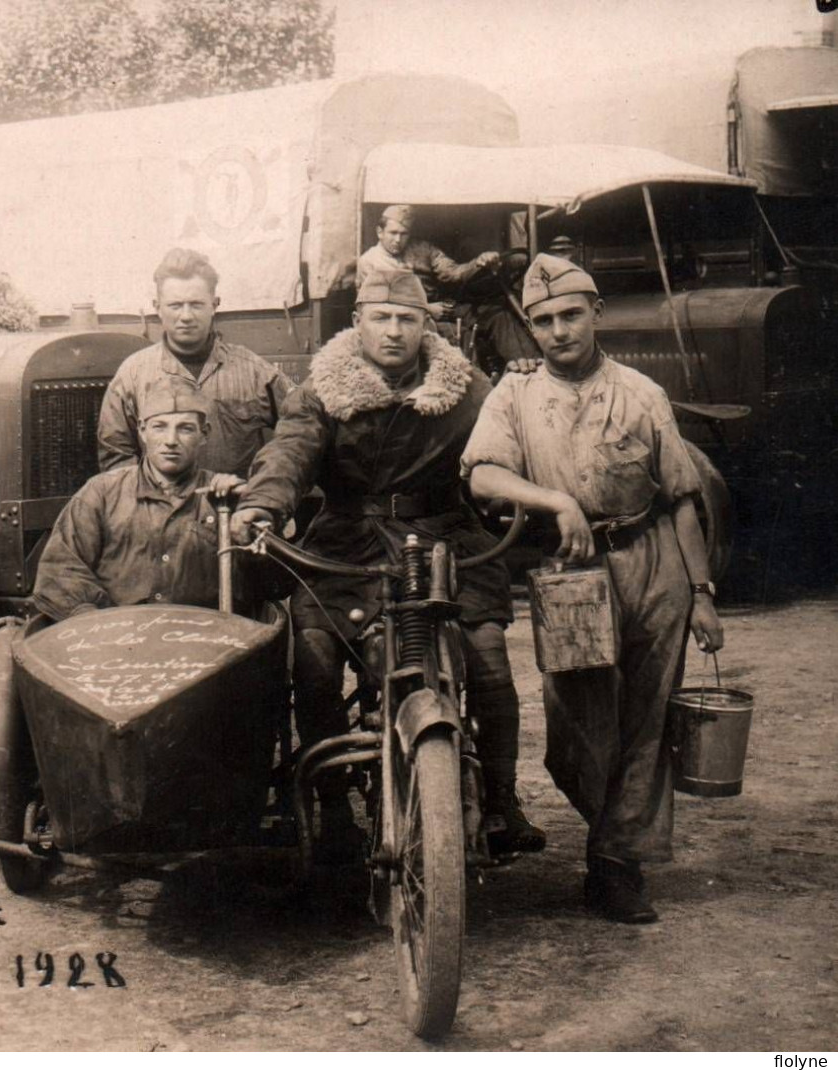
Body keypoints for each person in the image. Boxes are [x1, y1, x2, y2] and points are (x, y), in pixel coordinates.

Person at [229, 269, 542, 862]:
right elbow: (290, 452)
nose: (394, 331)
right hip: (348, 541)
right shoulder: (322, 391)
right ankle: (332, 806)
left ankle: (502, 799)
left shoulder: (468, 389)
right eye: (382, 317)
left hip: (445, 537)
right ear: (358, 323)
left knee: (490, 658)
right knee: (315, 656)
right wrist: (264, 504)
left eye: (407, 319)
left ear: (428, 325)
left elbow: (506, 444)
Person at [463, 253, 725, 924]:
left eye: (570, 315)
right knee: (577, 726)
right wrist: (554, 500)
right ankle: (613, 835)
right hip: (573, 577)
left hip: (651, 561)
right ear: (530, 324)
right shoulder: (513, 394)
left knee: (646, 718)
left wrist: (700, 591)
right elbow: (483, 477)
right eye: (543, 320)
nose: (557, 331)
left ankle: (613, 864)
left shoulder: (641, 393)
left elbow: (683, 498)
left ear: (595, 313)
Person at [33, 385, 266, 620]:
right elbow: (59, 570)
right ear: (142, 431)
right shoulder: (101, 493)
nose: (171, 441)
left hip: (202, 643)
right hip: (118, 640)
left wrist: (247, 520)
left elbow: (271, 585)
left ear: (204, 434)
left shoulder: (226, 498)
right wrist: (94, 623)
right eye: (159, 427)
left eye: (185, 429)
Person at [97, 248, 293, 478]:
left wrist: (264, 490)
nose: (187, 316)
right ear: (157, 307)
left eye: (196, 304)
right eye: (175, 305)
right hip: (161, 510)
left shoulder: (254, 372)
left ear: (214, 305)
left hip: (236, 508)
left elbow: (301, 430)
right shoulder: (133, 374)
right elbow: (116, 455)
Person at [356, 205, 500, 316]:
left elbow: (453, 272)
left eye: (404, 234)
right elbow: (376, 307)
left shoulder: (423, 249)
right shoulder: (369, 262)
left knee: (496, 315)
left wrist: (478, 262)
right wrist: (426, 309)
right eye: (393, 233)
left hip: (440, 309)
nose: (398, 240)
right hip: (405, 321)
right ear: (380, 232)